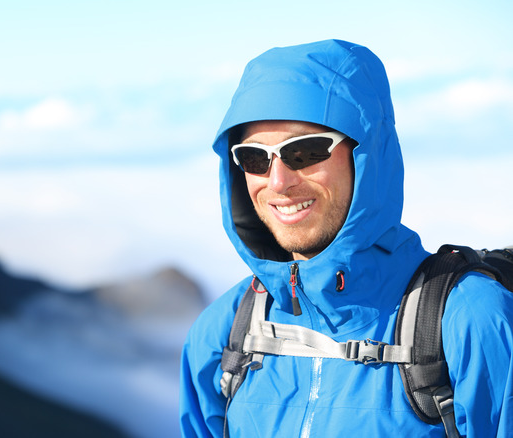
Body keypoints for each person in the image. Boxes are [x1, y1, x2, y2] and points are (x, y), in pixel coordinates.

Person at [179, 39, 513, 437]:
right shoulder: (225, 333)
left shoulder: (468, 320)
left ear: (366, 154)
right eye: (254, 157)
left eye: (303, 151)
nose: (278, 181)